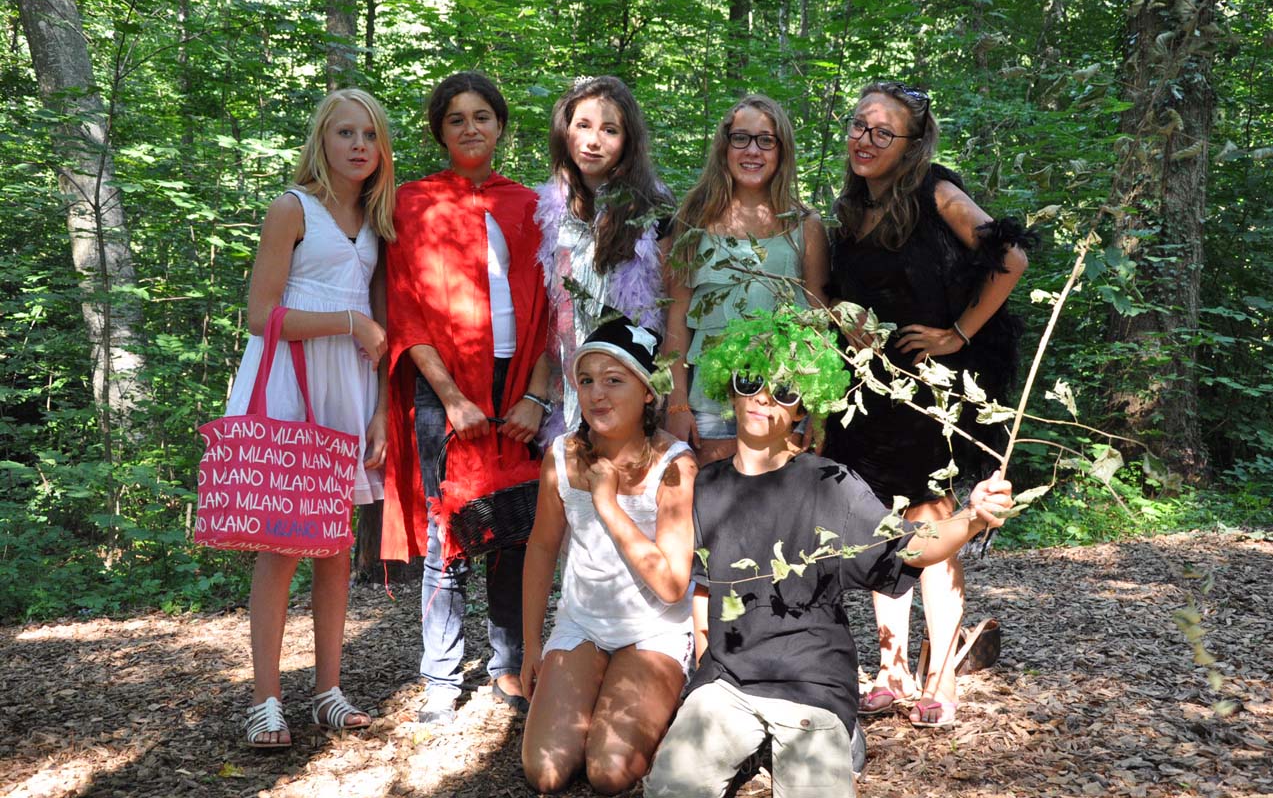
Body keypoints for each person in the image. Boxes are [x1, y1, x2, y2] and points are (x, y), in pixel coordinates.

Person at [643, 311, 1015, 797]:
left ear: (803, 408)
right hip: (728, 685)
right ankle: (756, 745)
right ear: (729, 388)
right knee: (669, 789)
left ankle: (840, 732)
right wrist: (705, 679)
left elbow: (910, 547)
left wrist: (971, 517)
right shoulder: (707, 487)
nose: (763, 397)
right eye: (749, 379)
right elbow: (704, 588)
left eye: (785, 390)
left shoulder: (829, 484)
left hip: (811, 683)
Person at [823, 81, 1032, 727]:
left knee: (933, 519)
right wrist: (845, 319)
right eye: (859, 126)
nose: (865, 140)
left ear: (912, 144)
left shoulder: (937, 191)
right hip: (866, 391)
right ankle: (891, 669)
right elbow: (832, 293)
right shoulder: (850, 210)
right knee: (880, 526)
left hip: (931, 388)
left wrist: (959, 332)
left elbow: (1011, 257)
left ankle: (941, 673)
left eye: (883, 132)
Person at [380, 72, 550, 725]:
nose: (471, 127)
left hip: (518, 383)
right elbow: (406, 310)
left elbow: (553, 311)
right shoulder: (413, 203)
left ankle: (508, 665)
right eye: (457, 118)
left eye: (482, 116)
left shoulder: (531, 205)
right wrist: (450, 397)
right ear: (440, 132)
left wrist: (536, 395)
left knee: (514, 527)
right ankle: (441, 678)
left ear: (500, 125)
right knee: (445, 531)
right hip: (443, 386)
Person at [234, 88, 396, 747]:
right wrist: (348, 321)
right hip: (290, 383)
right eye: (345, 133)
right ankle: (265, 700)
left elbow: (382, 329)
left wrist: (381, 410)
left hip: (350, 389)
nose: (359, 145)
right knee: (282, 545)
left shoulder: (378, 220)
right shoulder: (291, 208)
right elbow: (260, 315)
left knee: (335, 546)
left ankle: (328, 690)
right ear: (322, 141)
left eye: (370, 134)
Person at [521, 317, 697, 795]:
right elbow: (541, 547)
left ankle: (668, 698)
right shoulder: (561, 455)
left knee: (609, 772)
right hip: (582, 623)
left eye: (614, 380)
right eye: (586, 380)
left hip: (654, 628)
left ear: (647, 392)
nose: (597, 394)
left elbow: (672, 586)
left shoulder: (675, 464)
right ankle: (594, 683)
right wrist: (533, 645)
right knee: (546, 772)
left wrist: (608, 503)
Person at [664, 94, 829, 463]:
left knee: (778, 496)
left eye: (765, 140)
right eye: (741, 138)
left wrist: (818, 408)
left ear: (781, 150)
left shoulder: (805, 227)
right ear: (725, 146)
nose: (752, 150)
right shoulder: (693, 221)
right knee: (711, 496)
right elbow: (676, 314)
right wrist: (676, 404)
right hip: (709, 407)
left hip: (782, 402)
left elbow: (818, 321)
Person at [535, 76, 675, 448]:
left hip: (630, 384)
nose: (593, 141)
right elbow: (545, 315)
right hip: (565, 390)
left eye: (609, 130)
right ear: (565, 131)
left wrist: (667, 391)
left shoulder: (654, 209)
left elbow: (672, 305)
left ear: (628, 140)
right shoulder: (549, 211)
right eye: (583, 126)